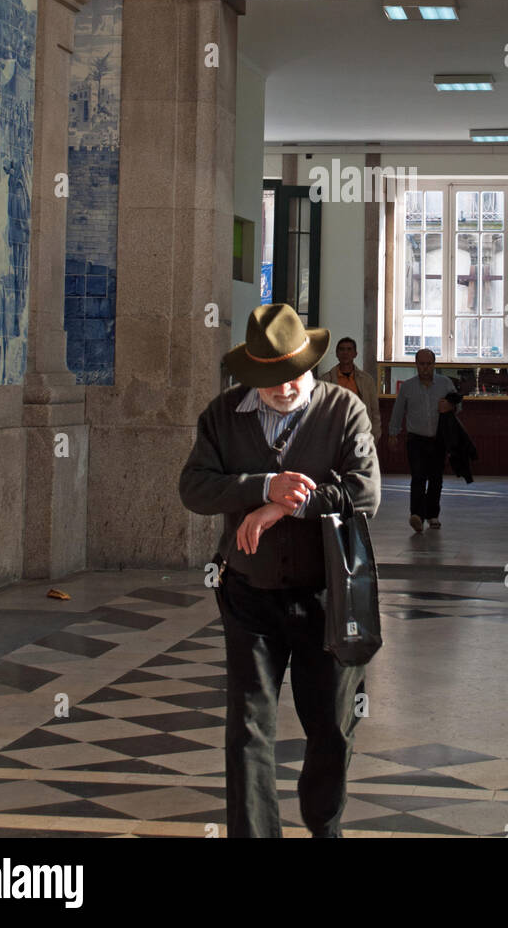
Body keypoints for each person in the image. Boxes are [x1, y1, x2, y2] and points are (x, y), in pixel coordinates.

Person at [179, 303, 380, 839]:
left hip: (329, 597)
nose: (285, 388)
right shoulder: (222, 416)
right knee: (247, 730)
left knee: (331, 728)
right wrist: (260, 487)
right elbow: (194, 487)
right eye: (270, 379)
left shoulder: (344, 410)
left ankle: (324, 826)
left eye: (293, 375)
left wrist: (288, 504)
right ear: (250, 373)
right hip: (249, 594)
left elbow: (365, 493)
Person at [388, 347, 457, 531]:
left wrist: (450, 406)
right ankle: (416, 515)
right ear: (416, 365)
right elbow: (398, 410)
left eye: (428, 364)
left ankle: (433, 515)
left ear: (434, 364)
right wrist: (393, 433)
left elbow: (459, 406)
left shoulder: (445, 384)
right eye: (421, 364)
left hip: (438, 439)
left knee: (436, 478)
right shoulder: (408, 387)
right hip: (416, 439)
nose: (425, 368)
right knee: (418, 476)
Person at [322, 336, 381, 444]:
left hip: (361, 433)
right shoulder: (326, 380)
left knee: (359, 460)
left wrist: (375, 435)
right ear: (336, 354)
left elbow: (374, 411)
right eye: (342, 349)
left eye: (349, 349)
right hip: (335, 435)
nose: (345, 353)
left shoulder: (366, 380)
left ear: (355, 354)